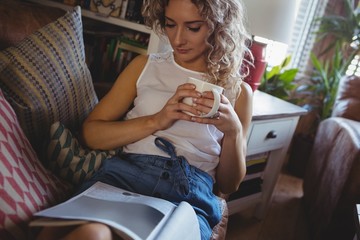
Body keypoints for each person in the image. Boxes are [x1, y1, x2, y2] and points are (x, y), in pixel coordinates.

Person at [36, 0, 253, 239]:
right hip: (125, 177)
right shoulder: (144, 66)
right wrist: (157, 120)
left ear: (219, 26)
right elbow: (91, 134)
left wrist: (233, 132)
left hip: (189, 198)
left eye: (193, 28)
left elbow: (229, 185)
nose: (177, 39)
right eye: (170, 24)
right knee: (91, 233)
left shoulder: (238, 92)